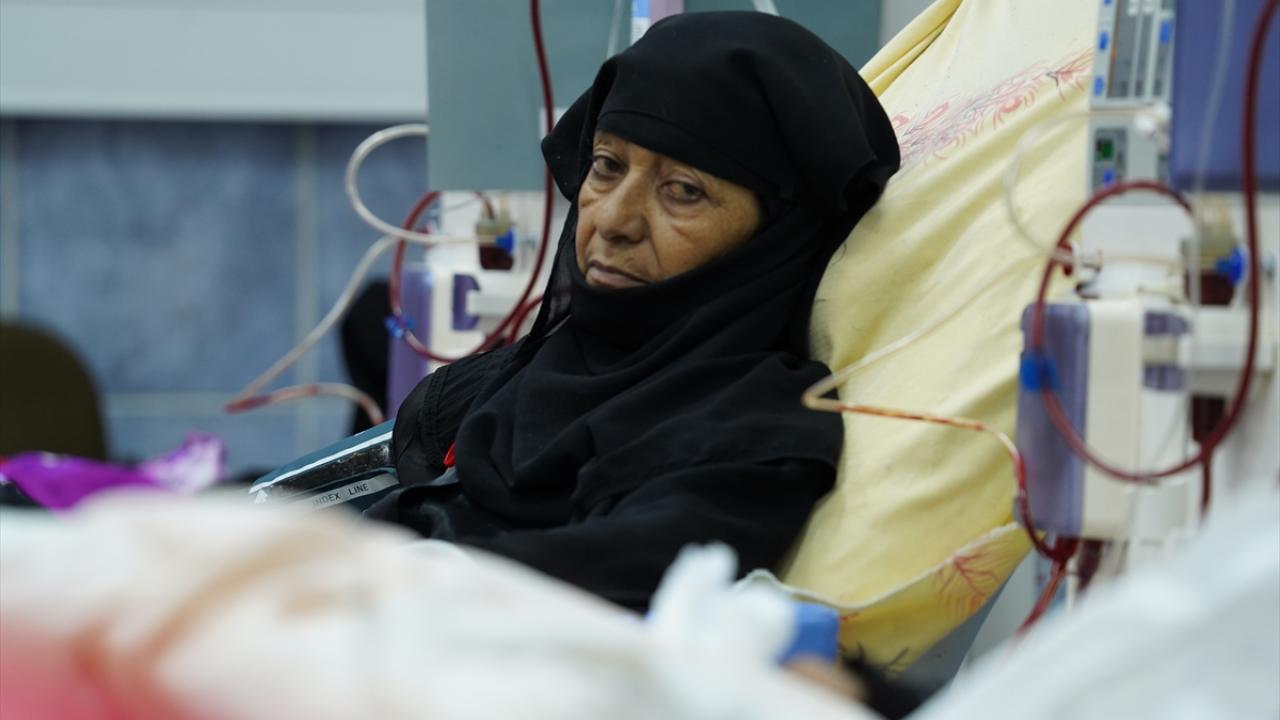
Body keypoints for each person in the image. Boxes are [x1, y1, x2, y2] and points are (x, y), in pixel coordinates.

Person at [366, 11, 900, 611]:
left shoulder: (749, 442)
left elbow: (578, 601)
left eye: (684, 191)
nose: (614, 220)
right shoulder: (485, 390)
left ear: (776, 236)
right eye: (607, 166)